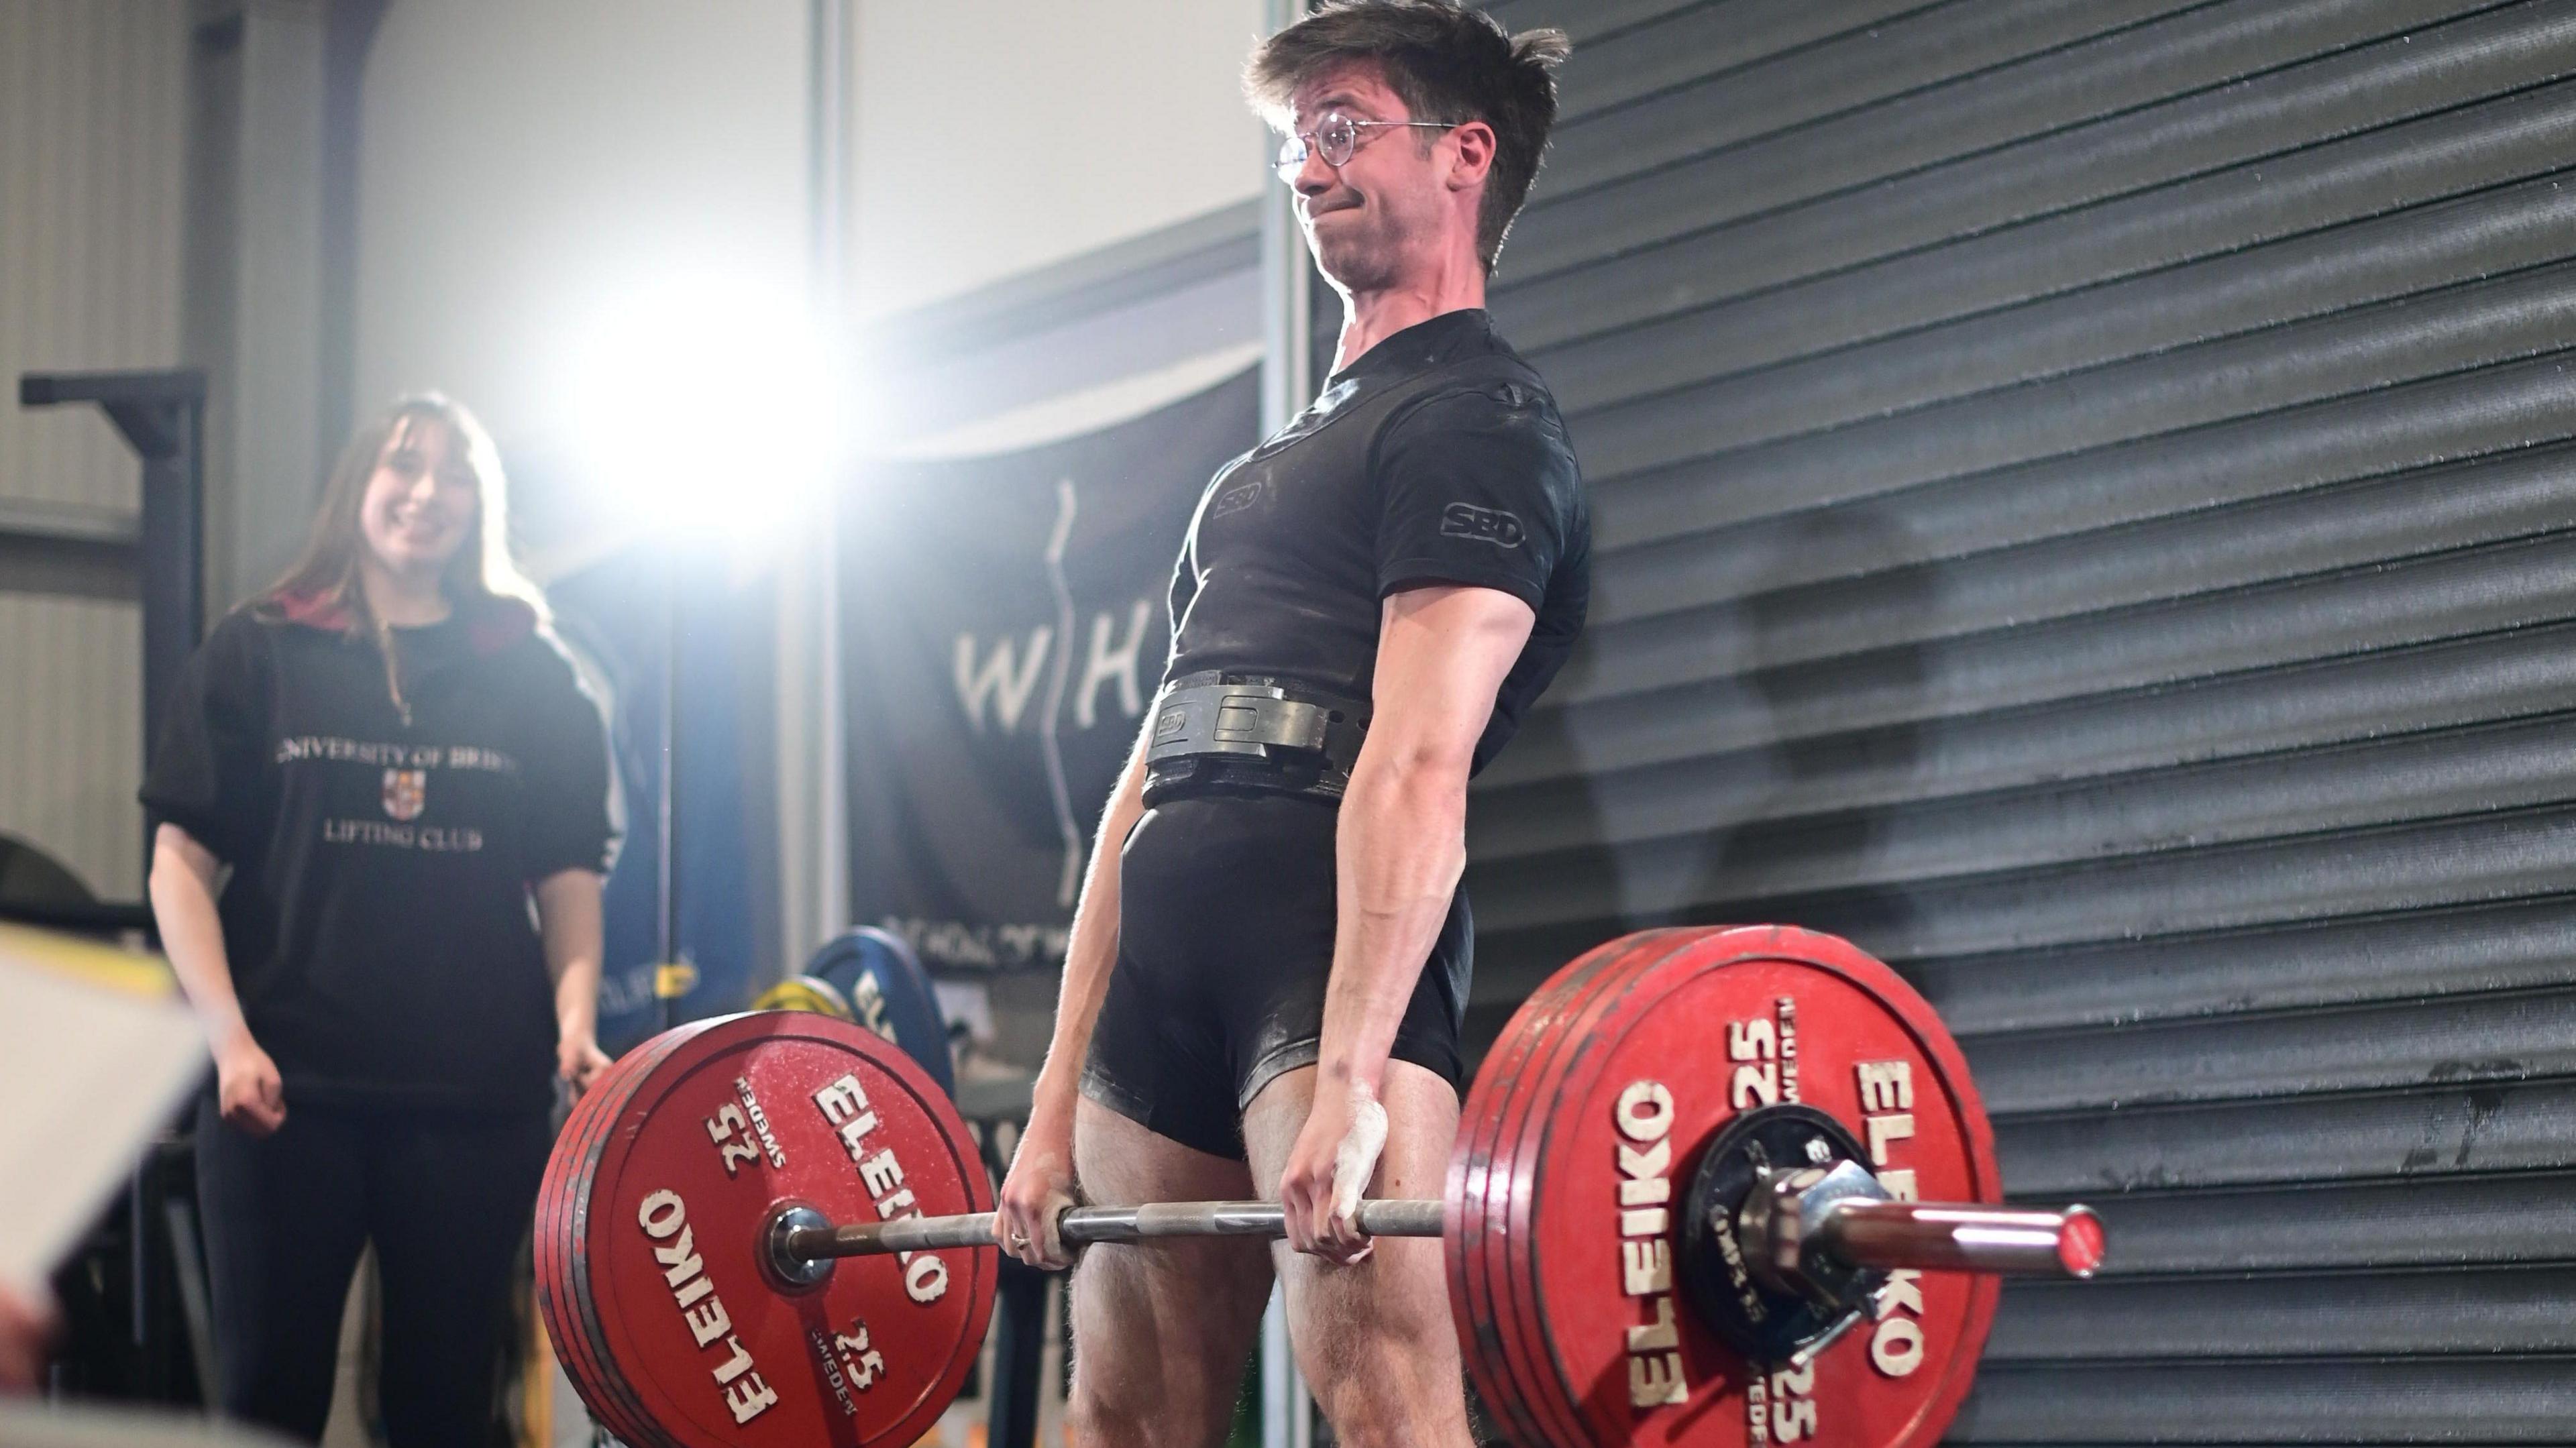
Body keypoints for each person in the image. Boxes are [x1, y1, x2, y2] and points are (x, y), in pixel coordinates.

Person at [994, 4, 1584, 1443]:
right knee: (1120, 1420)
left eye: (1342, 131)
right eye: (1293, 144)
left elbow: (1419, 758)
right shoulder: (1263, 468)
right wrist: (1056, 1096)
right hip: (1171, 937)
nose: (1307, 169)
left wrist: (1361, 1078)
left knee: (1384, 1402)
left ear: (1465, 155)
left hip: (1317, 944)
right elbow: (1144, 778)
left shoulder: (1481, 422)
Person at [142, 396, 615, 1445]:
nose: (427, 493)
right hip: (282, 1099)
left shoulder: (532, 672)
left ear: (479, 508)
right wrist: (225, 1039)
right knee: (266, 1399)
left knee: (446, 1410)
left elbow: (570, 873)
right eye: (406, 465)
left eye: (456, 476)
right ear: (358, 485)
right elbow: (178, 864)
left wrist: (574, 1025)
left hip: (475, 1102)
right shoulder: (259, 651)